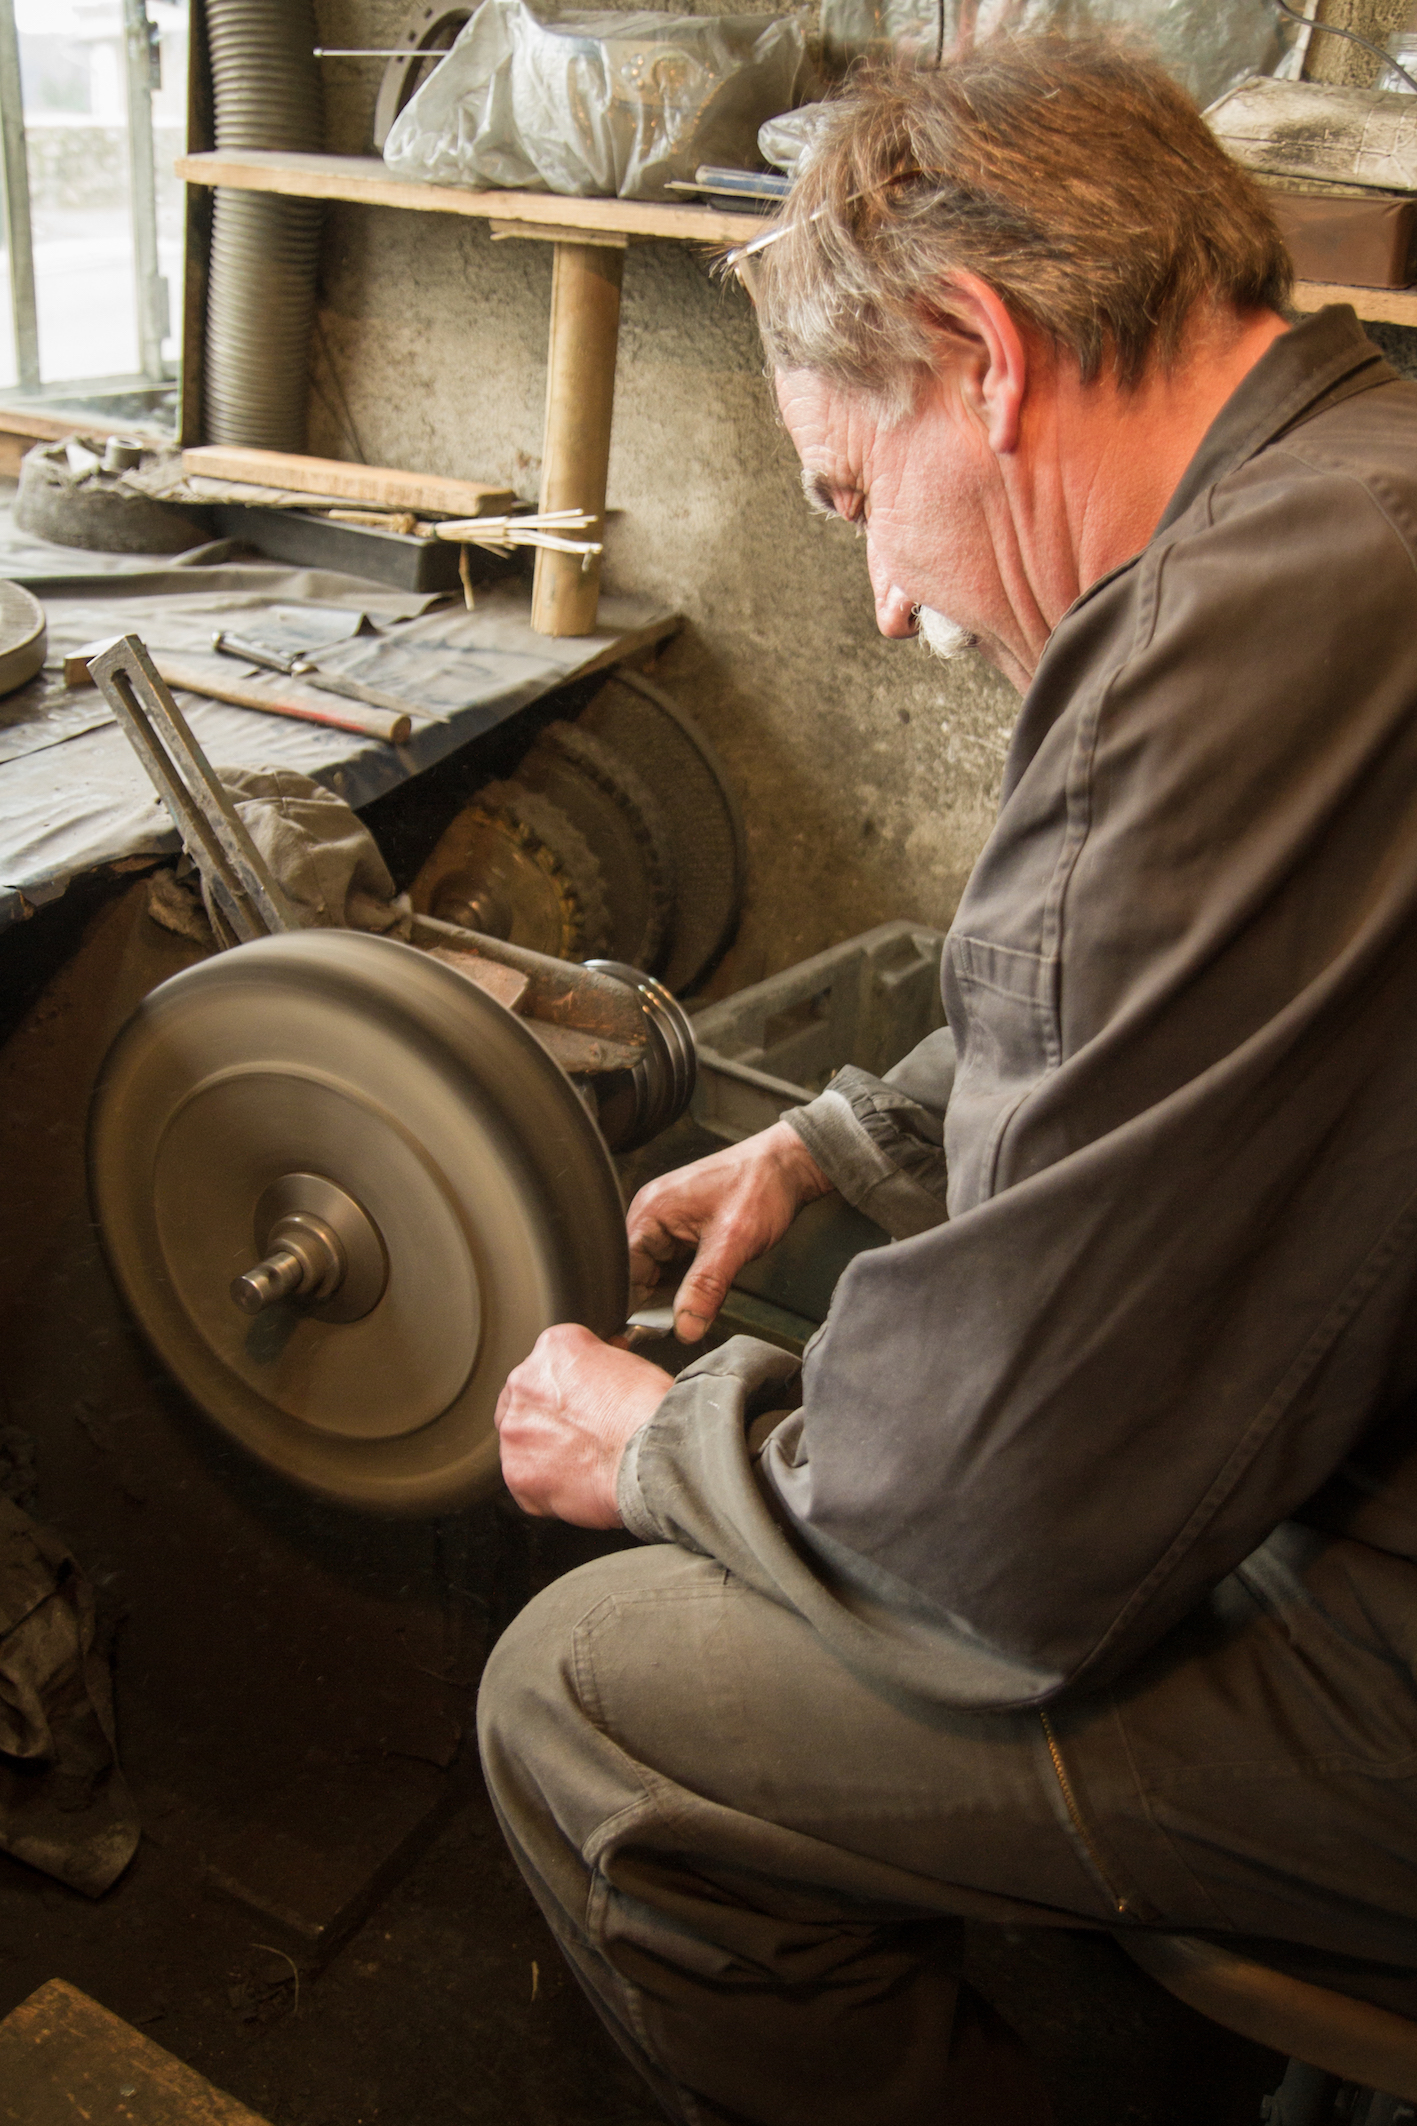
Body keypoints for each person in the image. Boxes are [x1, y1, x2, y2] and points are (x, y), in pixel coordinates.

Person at [480, 37, 1417, 2126]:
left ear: (980, 355)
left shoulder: (1239, 637)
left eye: (847, 493)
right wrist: (834, 1136)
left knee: (586, 1700)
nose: (887, 601)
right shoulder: (1353, 491)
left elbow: (995, 1537)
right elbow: (1205, 999)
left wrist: (657, 1436)